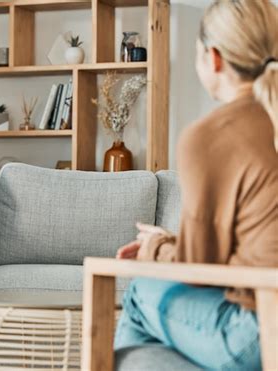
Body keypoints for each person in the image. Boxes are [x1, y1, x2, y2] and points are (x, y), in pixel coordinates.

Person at [114, 1, 277, 370]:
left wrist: (154, 247)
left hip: (258, 333)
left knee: (140, 291)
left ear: (213, 57)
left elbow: (198, 269)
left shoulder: (210, 136)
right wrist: (171, 242)